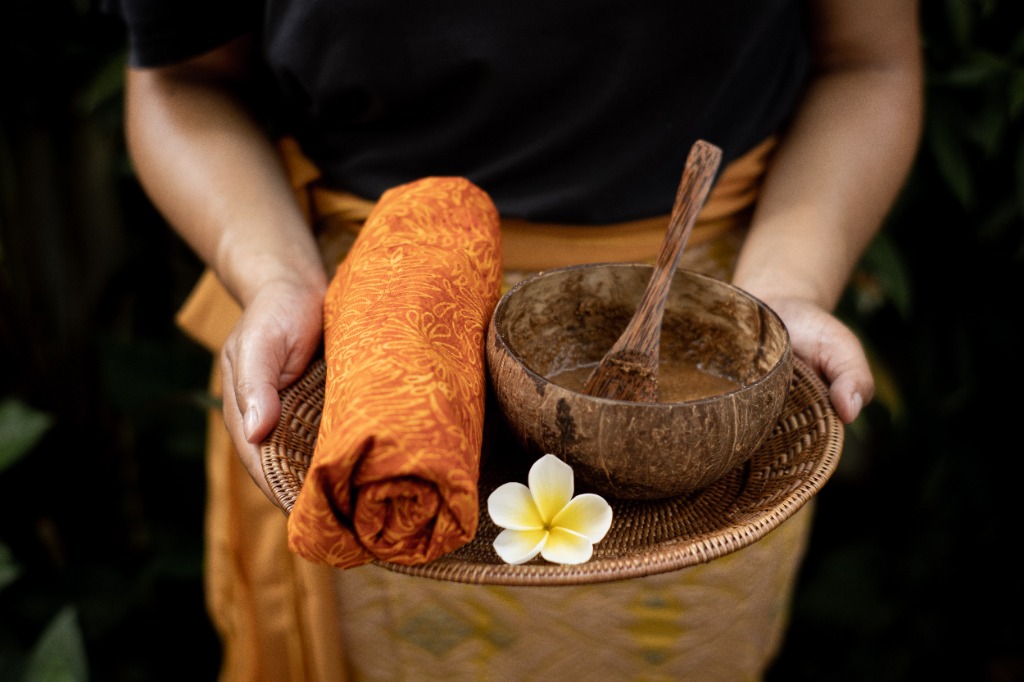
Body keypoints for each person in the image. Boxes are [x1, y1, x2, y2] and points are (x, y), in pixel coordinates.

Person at [114, 1, 923, 679]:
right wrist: (274, 277)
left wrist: (787, 289)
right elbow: (183, 79)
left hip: (708, 319)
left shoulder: (734, 350)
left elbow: (866, 59)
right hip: (378, 329)